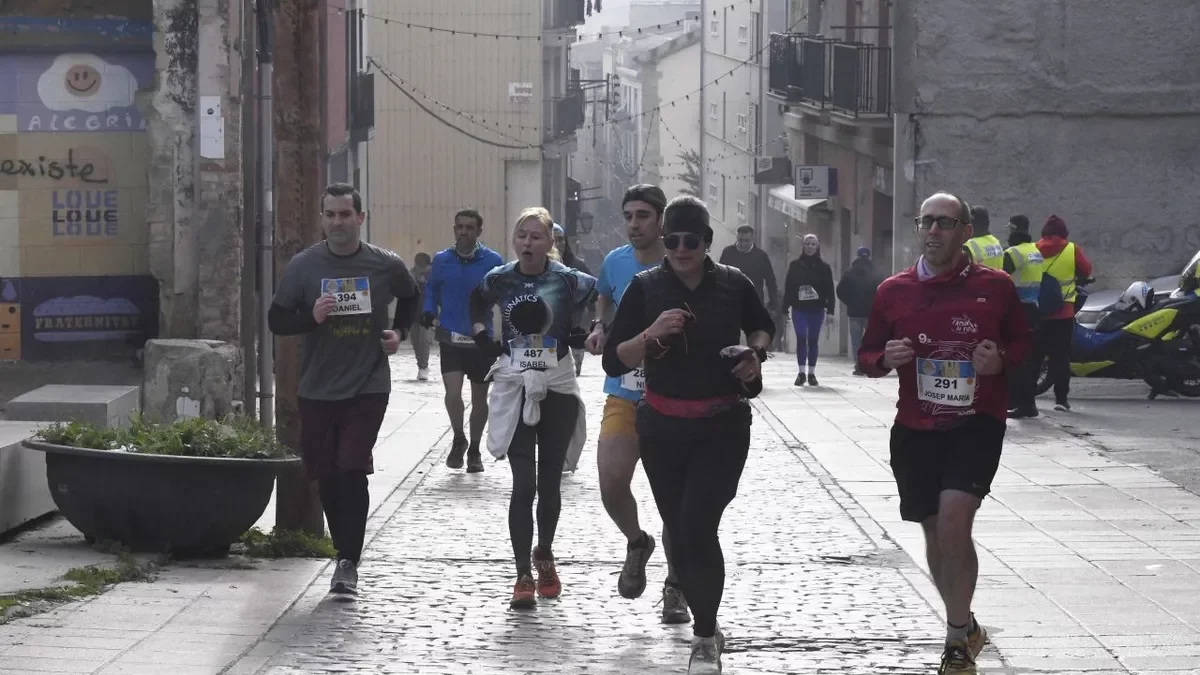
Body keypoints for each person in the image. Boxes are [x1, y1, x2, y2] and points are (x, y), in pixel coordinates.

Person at [858, 192, 1032, 675]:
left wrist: (1001, 360)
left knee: (956, 523)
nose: (933, 231)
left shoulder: (995, 287)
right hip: (915, 428)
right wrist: (882, 359)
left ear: (965, 232)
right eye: (926, 222)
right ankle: (967, 625)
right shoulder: (893, 290)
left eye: (945, 223)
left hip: (977, 422)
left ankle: (956, 640)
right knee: (935, 533)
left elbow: (1022, 342)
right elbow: (866, 355)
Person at [603, 195, 774, 675]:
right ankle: (708, 626)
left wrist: (754, 354)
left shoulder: (733, 284)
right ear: (665, 240)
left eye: (691, 240)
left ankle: (703, 637)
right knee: (680, 528)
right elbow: (615, 359)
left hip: (721, 426)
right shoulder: (645, 287)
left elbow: (763, 327)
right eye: (673, 239)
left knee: (698, 526)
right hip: (662, 428)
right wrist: (650, 332)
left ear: (706, 242)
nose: (681, 248)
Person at [267, 182, 419, 596]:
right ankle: (343, 550)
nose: (338, 222)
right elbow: (277, 320)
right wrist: (310, 317)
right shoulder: (303, 266)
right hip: (317, 386)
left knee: (351, 466)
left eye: (345, 214)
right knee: (328, 475)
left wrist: (398, 333)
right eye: (330, 215)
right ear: (321, 220)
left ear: (360, 218)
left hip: (368, 383)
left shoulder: (384, 264)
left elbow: (412, 297)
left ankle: (347, 560)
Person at [470, 206, 597, 610]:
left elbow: (596, 296)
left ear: (550, 243)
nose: (528, 242)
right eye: (522, 235)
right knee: (523, 484)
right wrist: (482, 337)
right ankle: (522, 573)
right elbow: (475, 302)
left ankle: (545, 553)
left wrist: (587, 329)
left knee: (550, 484)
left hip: (557, 383)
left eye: (536, 237)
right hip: (515, 383)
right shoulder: (499, 278)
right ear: (514, 240)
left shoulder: (567, 279)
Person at [584, 184, 690, 624]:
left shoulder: (684, 261)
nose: (633, 224)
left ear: (662, 220)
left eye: (643, 215)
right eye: (628, 215)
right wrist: (598, 327)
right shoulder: (615, 262)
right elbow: (605, 296)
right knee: (610, 481)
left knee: (676, 501)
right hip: (624, 391)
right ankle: (636, 541)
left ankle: (677, 584)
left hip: (675, 397)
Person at [420, 209, 505, 472]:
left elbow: (502, 295)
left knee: (480, 399)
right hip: (450, 336)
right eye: (460, 227)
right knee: (453, 393)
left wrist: (505, 330)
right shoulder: (443, 259)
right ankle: (459, 437)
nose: (464, 232)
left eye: (470, 228)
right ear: (454, 230)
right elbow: (432, 288)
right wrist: (428, 310)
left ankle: (476, 450)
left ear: (479, 232)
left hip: (481, 339)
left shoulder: (493, 260)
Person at [1028, 214, 1092, 412]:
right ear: (1064, 232)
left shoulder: (1033, 249)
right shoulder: (1072, 249)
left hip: (1036, 312)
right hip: (1063, 313)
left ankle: (1027, 398)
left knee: (1034, 357)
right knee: (1061, 357)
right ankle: (1061, 400)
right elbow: (1087, 270)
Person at [1001, 215, 1041, 418]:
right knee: (1029, 358)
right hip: (1034, 309)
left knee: (1016, 358)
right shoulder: (1035, 251)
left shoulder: (1013, 253)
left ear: (1013, 229)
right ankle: (1026, 403)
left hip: (1017, 310)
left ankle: (1024, 404)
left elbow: (1000, 279)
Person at [783, 233, 835, 386]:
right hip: (799, 308)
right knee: (801, 338)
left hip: (816, 309)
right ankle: (801, 373)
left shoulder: (824, 267)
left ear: (817, 246)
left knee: (813, 340)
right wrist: (784, 308)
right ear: (803, 246)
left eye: (813, 244)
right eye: (807, 244)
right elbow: (789, 287)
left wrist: (830, 311)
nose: (810, 247)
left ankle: (811, 373)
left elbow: (830, 290)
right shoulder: (795, 265)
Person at [553, 222, 595, 377]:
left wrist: (588, 326)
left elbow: (594, 297)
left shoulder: (578, 266)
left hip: (575, 330)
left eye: (561, 239)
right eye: (554, 240)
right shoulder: (538, 268)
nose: (558, 244)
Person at [836, 246, 882, 375]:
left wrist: (849, 302)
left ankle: (859, 364)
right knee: (871, 339)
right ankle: (870, 362)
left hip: (854, 312)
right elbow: (883, 290)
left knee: (856, 341)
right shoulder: (876, 273)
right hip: (871, 313)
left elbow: (840, 290)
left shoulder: (850, 272)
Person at [718, 225, 779, 309]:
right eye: (740, 240)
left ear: (753, 239)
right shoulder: (728, 253)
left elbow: (770, 280)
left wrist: (773, 302)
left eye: (746, 241)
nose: (743, 244)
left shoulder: (761, 256)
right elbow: (720, 276)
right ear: (737, 238)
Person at [410, 252, 433, 381]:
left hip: (427, 313)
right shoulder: (410, 275)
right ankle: (421, 365)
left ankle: (423, 367)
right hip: (413, 313)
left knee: (424, 340)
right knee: (415, 341)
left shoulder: (433, 276)